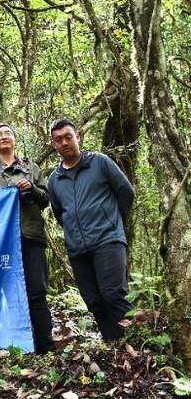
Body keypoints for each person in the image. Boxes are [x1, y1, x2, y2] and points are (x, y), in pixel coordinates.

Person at [47, 118, 135, 342]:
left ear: (78, 137)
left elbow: (126, 192)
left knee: (113, 294)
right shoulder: (54, 180)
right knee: (95, 302)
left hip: (107, 240)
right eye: (59, 140)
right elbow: (60, 213)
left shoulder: (99, 162)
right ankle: (115, 346)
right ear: (53, 144)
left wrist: (113, 221)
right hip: (77, 249)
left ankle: (137, 342)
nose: (65, 142)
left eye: (68, 137)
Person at [0, 123, 54, 354]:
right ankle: (11, 346)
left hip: (31, 236)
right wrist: (11, 192)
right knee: (1, 293)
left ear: (14, 140)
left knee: (37, 293)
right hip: (1, 240)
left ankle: (45, 346)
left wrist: (30, 188)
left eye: (8, 133)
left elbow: (45, 199)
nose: (4, 137)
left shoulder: (31, 167)